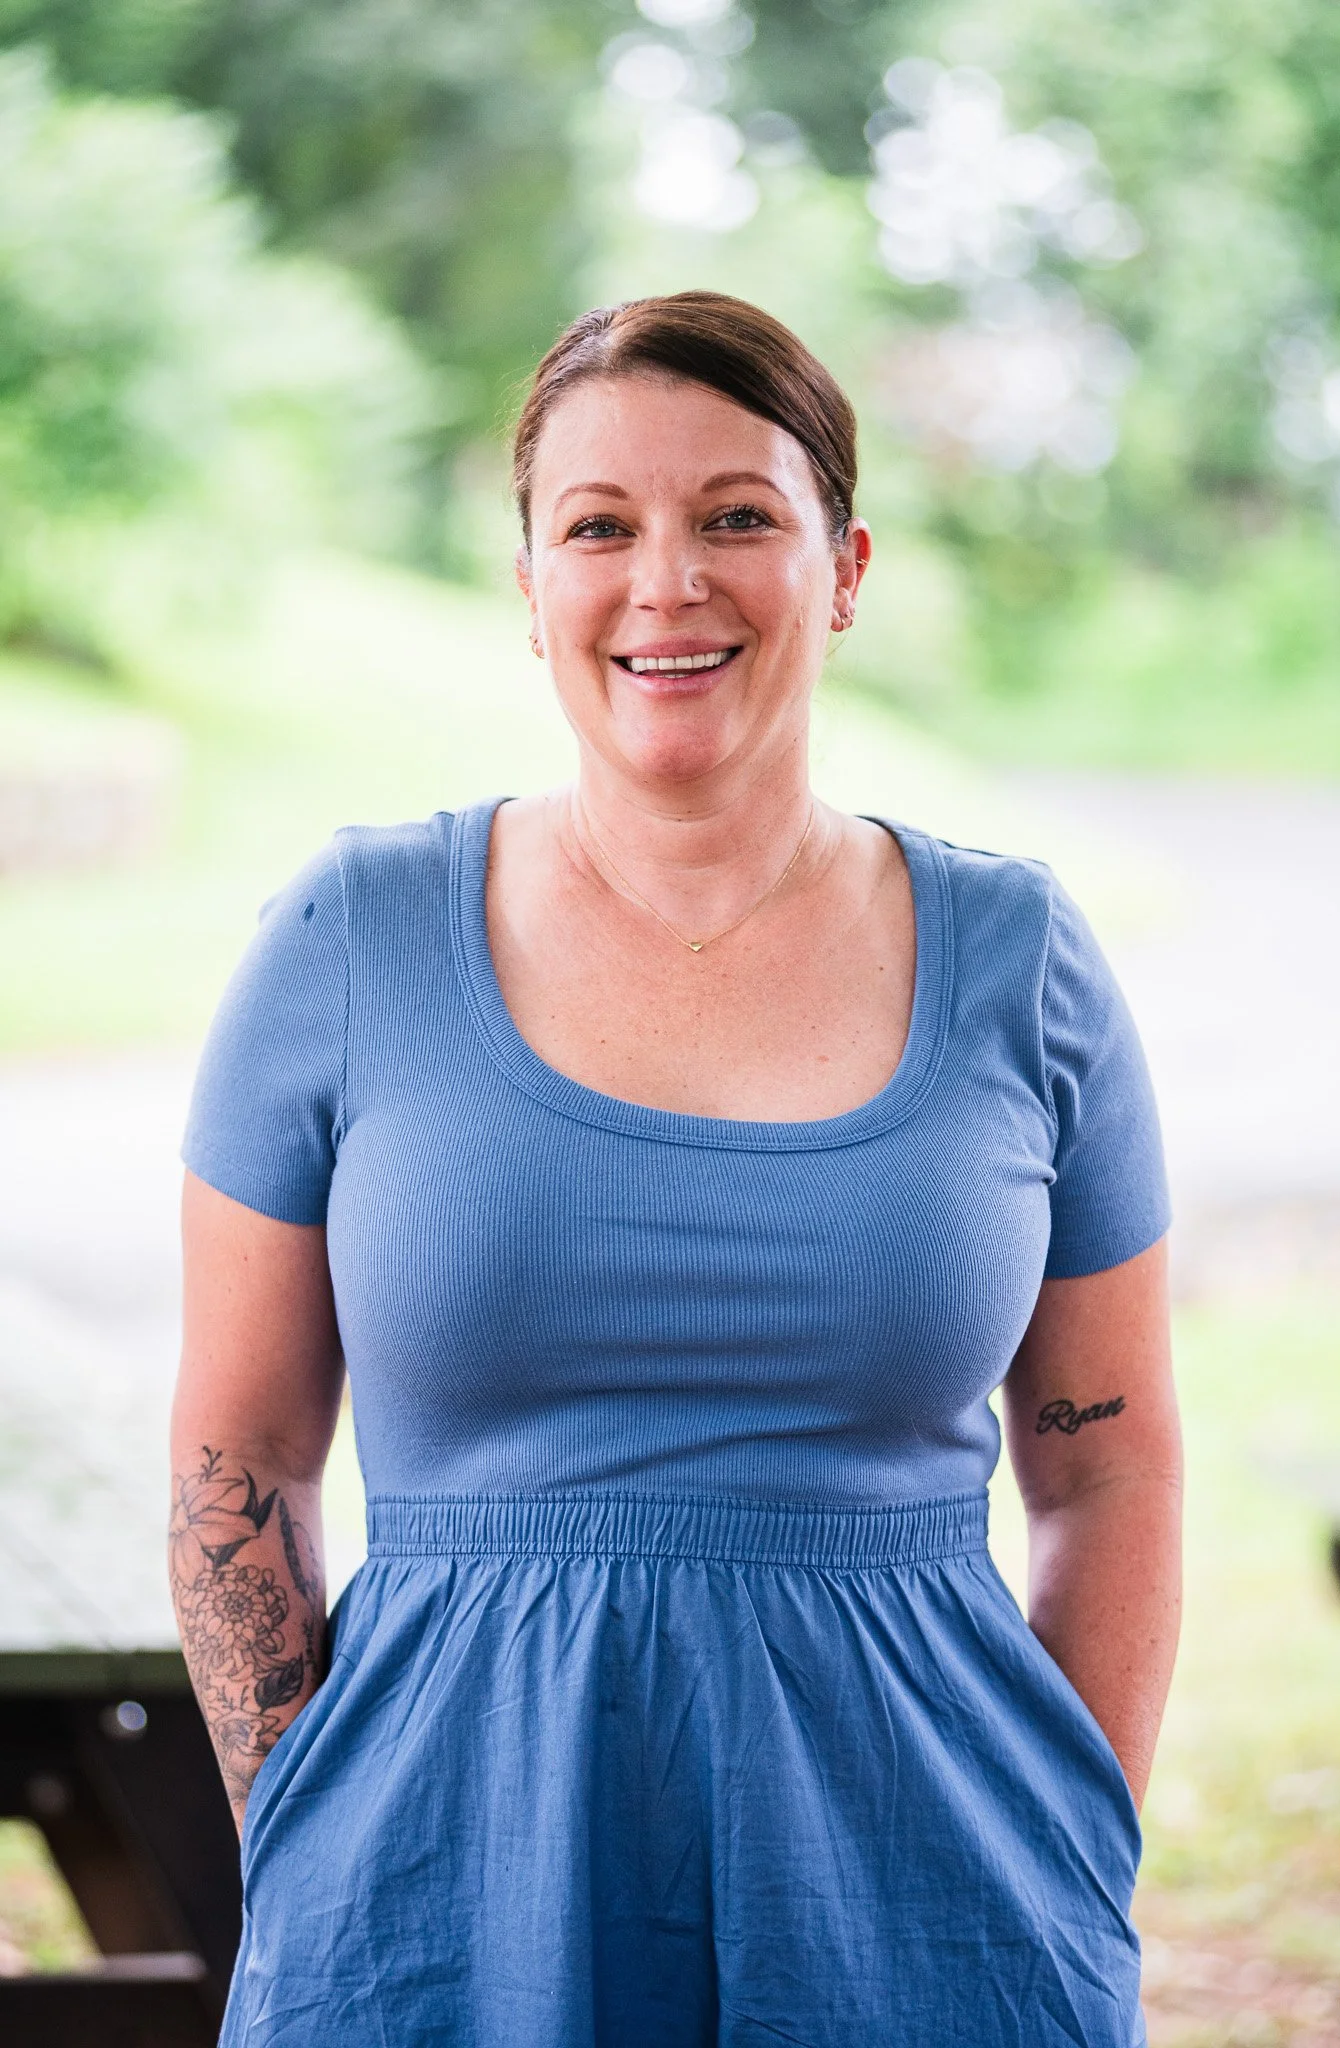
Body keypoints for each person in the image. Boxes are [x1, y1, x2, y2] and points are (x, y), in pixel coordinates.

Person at [170, 290, 1182, 2046]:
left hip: (935, 1903)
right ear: (529, 583)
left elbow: (1111, 1463)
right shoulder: (350, 934)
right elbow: (236, 1449)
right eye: (598, 527)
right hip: (433, 1893)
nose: (666, 583)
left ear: (844, 566)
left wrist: (1064, 1834)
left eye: (736, 516)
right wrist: (319, 1834)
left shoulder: (1021, 960)